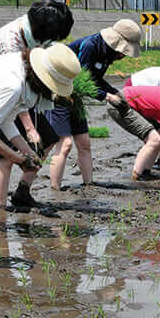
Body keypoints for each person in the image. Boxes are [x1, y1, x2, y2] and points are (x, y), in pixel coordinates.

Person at [0, 0, 74, 208]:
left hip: (24, 94)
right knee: (5, 157)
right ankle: (0, 209)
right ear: (43, 31)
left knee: (49, 139)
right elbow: (12, 85)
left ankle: (23, 191)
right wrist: (29, 127)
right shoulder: (11, 41)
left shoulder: (39, 35)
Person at [0, 44, 80, 215]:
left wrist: (28, 152)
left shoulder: (23, 73)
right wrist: (19, 159)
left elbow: (7, 121)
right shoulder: (14, 85)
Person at [46, 19, 141, 190]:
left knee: (84, 143)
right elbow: (80, 80)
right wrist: (107, 97)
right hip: (58, 94)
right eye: (123, 51)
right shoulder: (90, 47)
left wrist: (115, 92)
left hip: (76, 98)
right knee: (65, 144)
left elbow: (95, 79)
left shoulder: (107, 54)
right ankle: (55, 190)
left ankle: (89, 184)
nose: (123, 55)